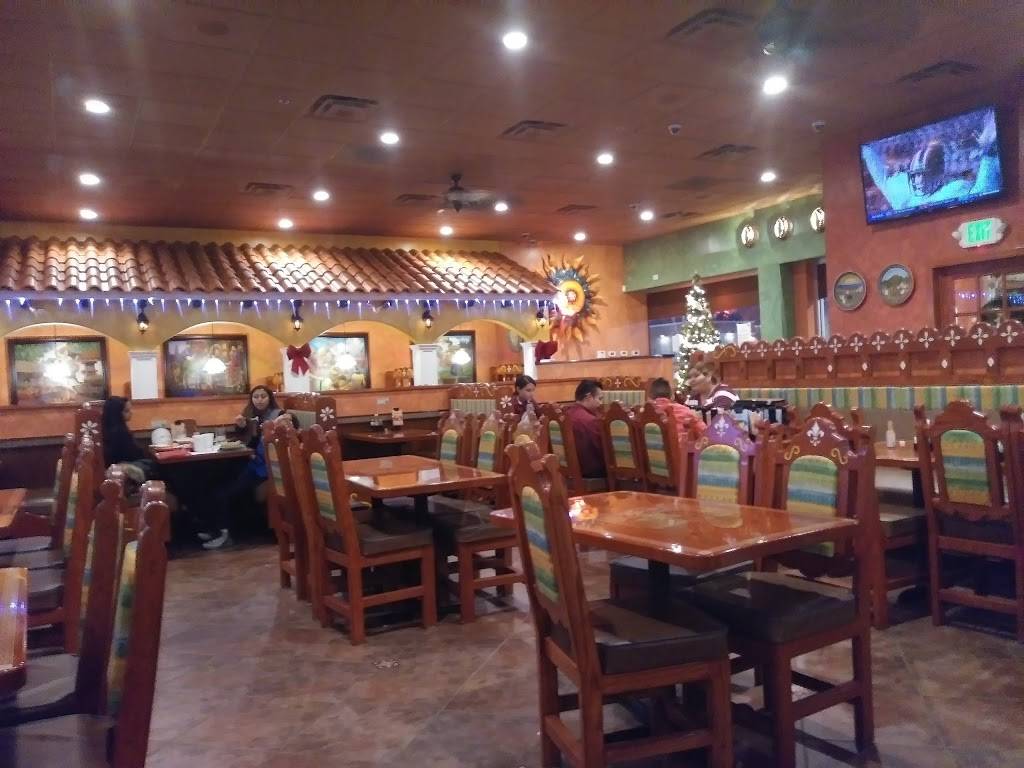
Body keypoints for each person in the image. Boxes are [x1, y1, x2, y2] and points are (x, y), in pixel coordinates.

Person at [860, 109, 1001, 216]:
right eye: (915, 175)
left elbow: (984, 190)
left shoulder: (954, 190)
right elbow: (878, 172)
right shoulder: (900, 196)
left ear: (938, 173)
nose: (918, 180)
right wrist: (987, 152)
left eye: (923, 174)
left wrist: (988, 151)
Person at [201, 385, 286, 550]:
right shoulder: (250, 416)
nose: (259, 400)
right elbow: (247, 441)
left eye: (263, 396)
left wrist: (283, 420)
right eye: (256, 397)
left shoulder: (278, 415)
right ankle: (215, 529)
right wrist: (240, 427)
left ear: (270, 398)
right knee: (212, 482)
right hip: (250, 462)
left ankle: (224, 535)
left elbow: (288, 428)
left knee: (224, 491)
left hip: (265, 469)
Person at [101, 397, 157, 486]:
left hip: (118, 467)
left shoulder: (106, 429)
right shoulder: (119, 432)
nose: (131, 412)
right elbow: (134, 454)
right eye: (126, 411)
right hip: (124, 468)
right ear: (117, 414)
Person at [563, 379, 606, 479]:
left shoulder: (566, 415)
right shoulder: (589, 420)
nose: (601, 403)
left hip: (569, 472)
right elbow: (603, 450)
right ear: (589, 397)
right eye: (599, 399)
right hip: (591, 473)